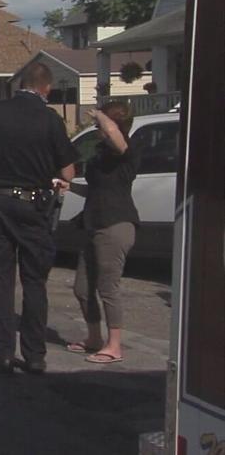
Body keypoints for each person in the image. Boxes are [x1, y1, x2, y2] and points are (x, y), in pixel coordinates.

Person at [0, 63, 79, 374]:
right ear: (47, 89)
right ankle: (35, 355)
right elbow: (69, 171)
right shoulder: (51, 119)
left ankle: (1, 353)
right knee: (35, 282)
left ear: (20, 85)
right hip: (34, 207)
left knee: (1, 281)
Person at [59, 102, 138, 364]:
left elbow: (116, 136)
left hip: (115, 225)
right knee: (82, 288)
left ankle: (114, 345)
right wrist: (69, 187)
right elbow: (95, 190)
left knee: (107, 287)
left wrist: (101, 115)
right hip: (93, 224)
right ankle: (93, 337)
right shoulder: (102, 154)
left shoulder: (125, 151)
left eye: (100, 124)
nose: (97, 128)